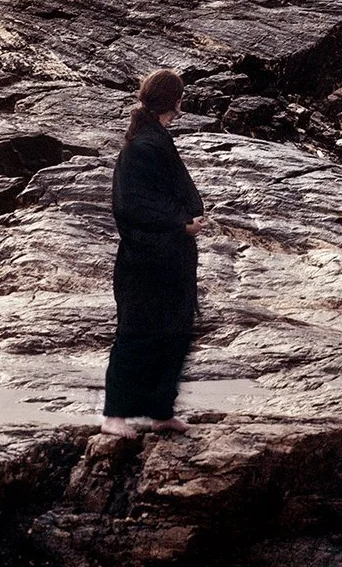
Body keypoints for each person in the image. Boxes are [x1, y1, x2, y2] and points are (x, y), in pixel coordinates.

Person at [100, 69, 207, 435]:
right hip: (144, 259)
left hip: (170, 258)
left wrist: (185, 221)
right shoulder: (141, 145)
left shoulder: (154, 138)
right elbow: (131, 206)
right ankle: (115, 415)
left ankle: (161, 410)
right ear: (176, 101)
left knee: (175, 331)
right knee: (137, 332)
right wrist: (181, 224)